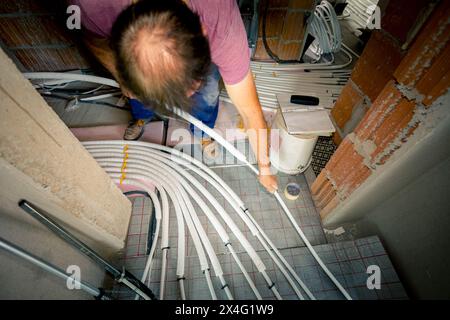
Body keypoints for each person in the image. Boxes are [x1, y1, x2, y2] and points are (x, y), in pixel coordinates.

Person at [70, 0, 278, 193]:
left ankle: (202, 133)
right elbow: (90, 38)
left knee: (208, 91)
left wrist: (265, 168)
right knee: (139, 94)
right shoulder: (90, 6)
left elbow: (250, 112)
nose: (186, 96)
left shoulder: (222, 24)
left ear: (203, 32)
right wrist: (120, 73)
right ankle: (142, 114)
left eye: (192, 84)